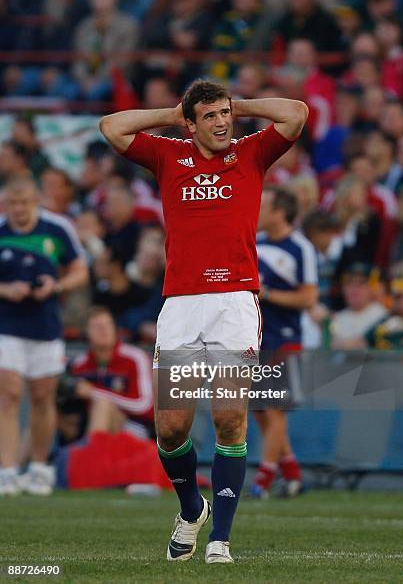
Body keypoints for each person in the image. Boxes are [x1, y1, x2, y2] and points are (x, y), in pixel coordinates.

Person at [100, 79, 308, 563]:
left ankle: (221, 539)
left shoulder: (252, 153)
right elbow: (111, 126)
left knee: (229, 417)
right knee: (171, 428)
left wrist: (241, 105)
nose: (220, 122)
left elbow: (295, 113)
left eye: (224, 114)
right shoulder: (169, 156)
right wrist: (172, 116)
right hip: (181, 304)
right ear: (191, 123)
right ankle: (192, 508)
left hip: (234, 302)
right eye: (209, 116)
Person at [0, 178, 88, 496]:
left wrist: (57, 286)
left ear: (35, 201)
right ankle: (7, 470)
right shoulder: (1, 231)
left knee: (42, 397)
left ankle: (39, 468)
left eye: (25, 203)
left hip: (46, 324)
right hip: (6, 324)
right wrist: (6, 289)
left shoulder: (57, 228)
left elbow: (80, 269)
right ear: (6, 204)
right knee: (8, 396)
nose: (19, 210)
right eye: (13, 203)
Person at [251, 187, 318, 498]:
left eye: (264, 206)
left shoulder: (300, 247)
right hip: (257, 334)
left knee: (275, 408)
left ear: (279, 211)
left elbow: (309, 297)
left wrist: (270, 296)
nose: (259, 210)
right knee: (261, 409)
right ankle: (291, 473)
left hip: (285, 337)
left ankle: (263, 479)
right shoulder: (257, 242)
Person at [69, 306, 154, 439]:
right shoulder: (79, 364)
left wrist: (93, 392)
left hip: (134, 426)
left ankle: (91, 457)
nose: (104, 330)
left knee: (103, 405)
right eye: (97, 326)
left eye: (108, 324)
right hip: (86, 424)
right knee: (46, 402)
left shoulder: (135, 357)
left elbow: (144, 405)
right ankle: (36, 459)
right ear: (86, 332)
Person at [330, 263, 387, 349]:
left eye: (361, 282)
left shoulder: (383, 315)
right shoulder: (336, 318)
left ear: (372, 287)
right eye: (349, 282)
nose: (354, 288)